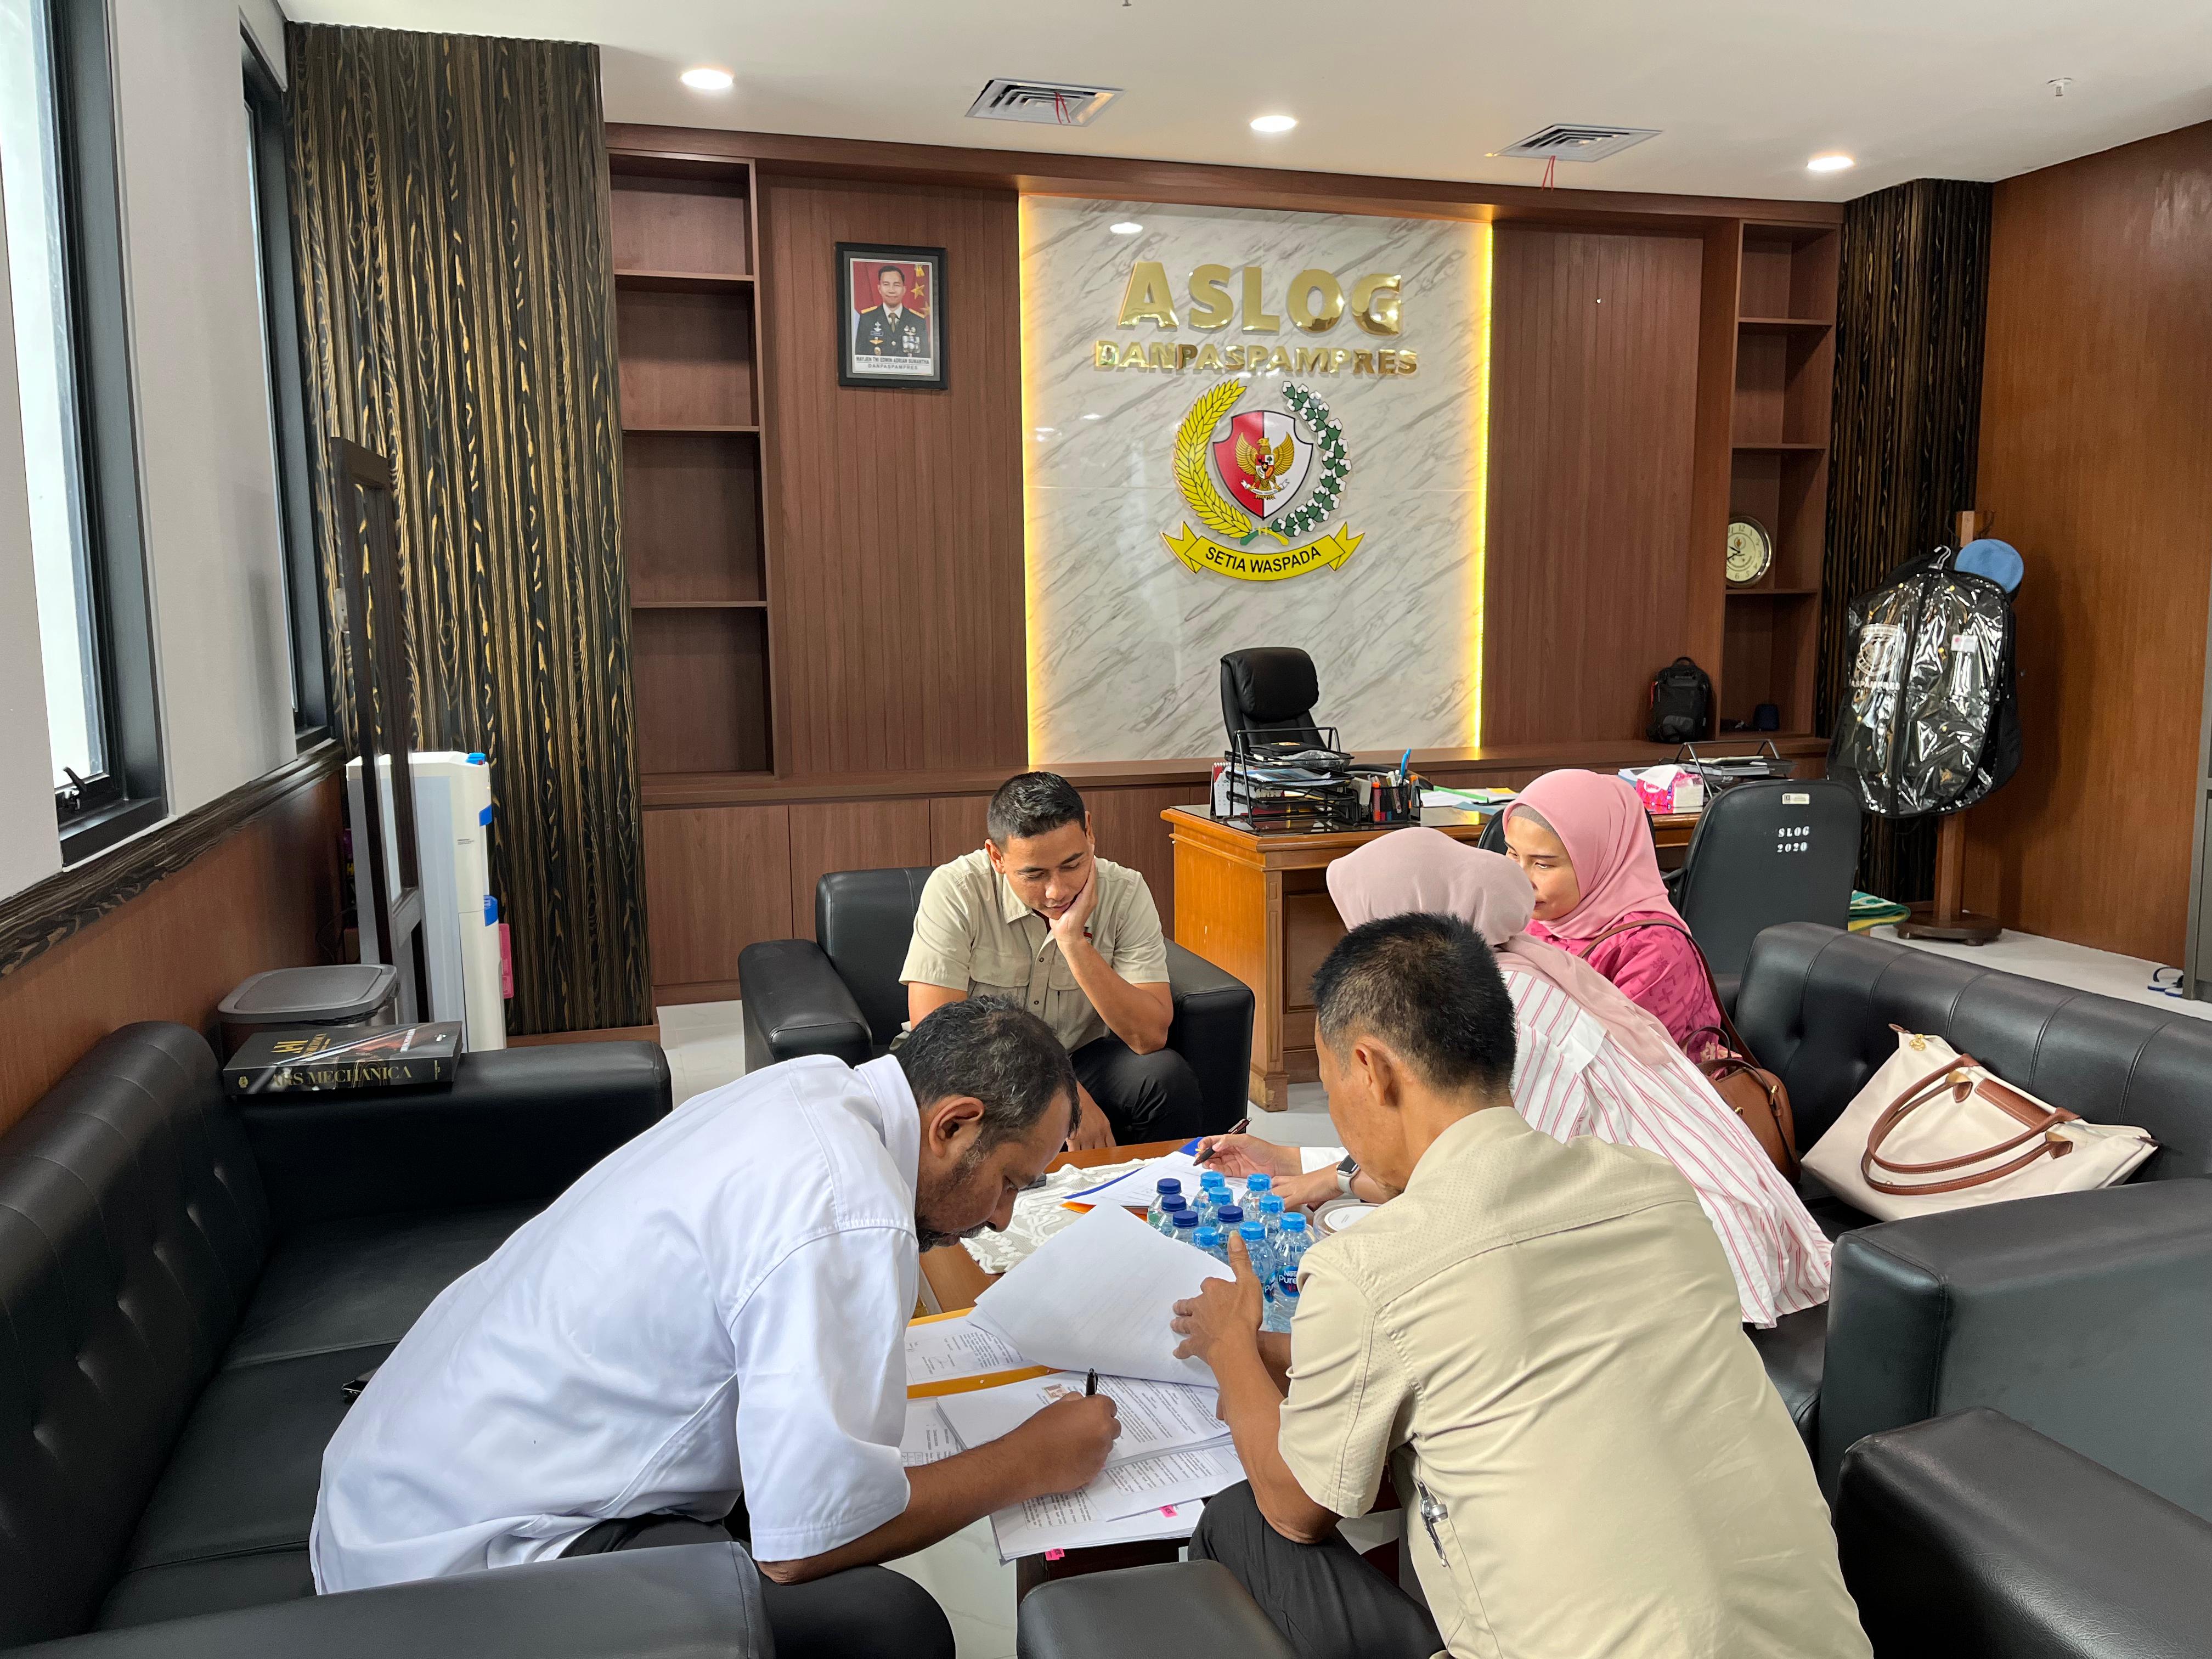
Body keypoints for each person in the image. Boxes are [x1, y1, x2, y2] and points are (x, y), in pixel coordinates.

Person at [312, 1000, 1122, 1659]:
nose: (1002, 1217)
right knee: (890, 1628)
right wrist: (1030, 1460)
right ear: (953, 1125)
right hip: (446, 1568)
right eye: (1010, 1181)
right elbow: (805, 1548)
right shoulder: (848, 1208)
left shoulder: (813, 1089)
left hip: (395, 1484)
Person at [1169, 913, 1872, 1659]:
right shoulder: (1654, 1191)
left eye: (1331, 1074)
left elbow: (1296, 1509)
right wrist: (1284, 1350)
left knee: (1242, 1520)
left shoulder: (1370, 1267)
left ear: (1371, 1070)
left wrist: (1230, 1347)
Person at [1201, 828, 1829, 1327]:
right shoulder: (1516, 966)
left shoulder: (1507, 1007)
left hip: (1703, 1264)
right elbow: (1458, 1147)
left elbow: (1488, 1180)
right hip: (1656, 1227)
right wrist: (1299, 1161)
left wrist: (1331, 1185)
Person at [902, 770, 1200, 1148]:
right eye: (1035, 875)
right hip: (974, 1065)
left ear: (1089, 831)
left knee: (1166, 1077)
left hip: (1079, 1058)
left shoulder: (1125, 891)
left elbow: (1149, 1037)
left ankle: (1156, 1187)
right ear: (997, 857)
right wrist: (1061, 1092)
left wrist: (1074, 943)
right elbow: (939, 1034)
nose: (1057, 891)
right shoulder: (956, 890)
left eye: (1072, 865)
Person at [1501, 768, 1724, 1053]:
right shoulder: (1527, 918)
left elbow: (1621, 1064)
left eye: (1543, 864)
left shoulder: (1654, 948)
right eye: (1512, 853)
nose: (1521, 879)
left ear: (1599, 860)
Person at [851, 263, 929, 360]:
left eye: (896, 285)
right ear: (879, 289)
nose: (891, 290)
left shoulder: (918, 321)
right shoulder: (867, 319)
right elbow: (859, 358)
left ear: (904, 289)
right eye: (886, 285)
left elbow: (925, 360)